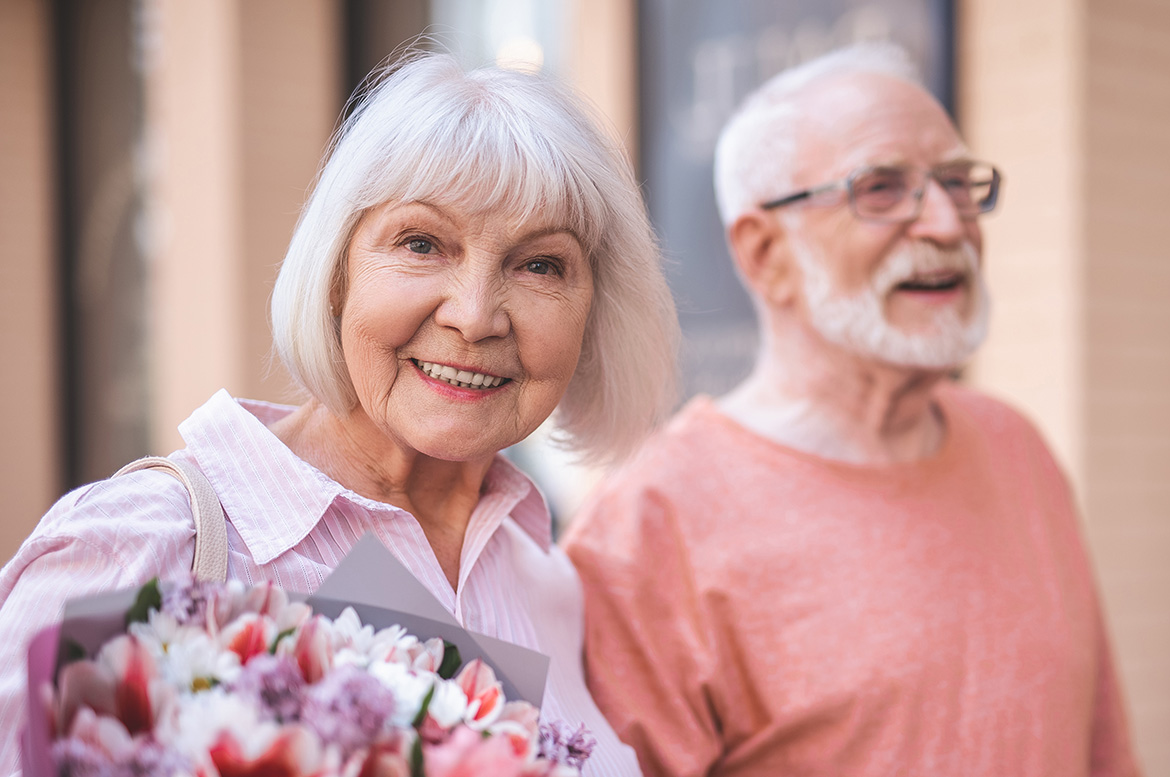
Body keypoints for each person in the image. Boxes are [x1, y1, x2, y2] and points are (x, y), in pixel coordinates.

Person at [0, 52, 677, 776]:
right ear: (335, 277)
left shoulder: (547, 584)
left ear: (593, 316)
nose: (476, 315)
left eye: (540, 264)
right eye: (421, 244)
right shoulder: (142, 545)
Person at [563, 43, 1140, 777]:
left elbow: (1106, 752)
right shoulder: (648, 528)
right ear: (765, 252)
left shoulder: (1017, 446)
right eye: (882, 188)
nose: (947, 224)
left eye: (958, 184)